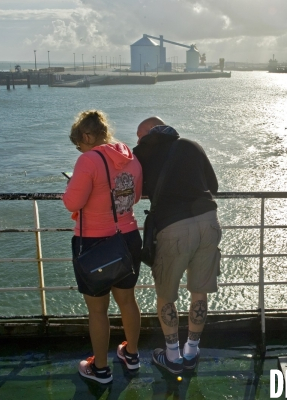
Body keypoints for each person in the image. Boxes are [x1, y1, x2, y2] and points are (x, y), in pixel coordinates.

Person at [133, 116, 221, 374]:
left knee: (166, 295)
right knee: (199, 291)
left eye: (140, 136)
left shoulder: (143, 152)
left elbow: (137, 192)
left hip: (174, 228)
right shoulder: (192, 145)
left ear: (149, 134)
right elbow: (213, 186)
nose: (138, 142)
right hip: (209, 222)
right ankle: (191, 351)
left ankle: (172, 357)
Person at [63, 110, 143, 384]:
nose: (79, 149)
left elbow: (72, 203)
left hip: (96, 244)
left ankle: (100, 369)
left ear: (86, 136)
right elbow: (135, 196)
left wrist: (75, 184)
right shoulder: (130, 157)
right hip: (129, 238)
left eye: (79, 144)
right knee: (128, 301)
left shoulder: (88, 160)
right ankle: (131, 355)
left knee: (98, 310)